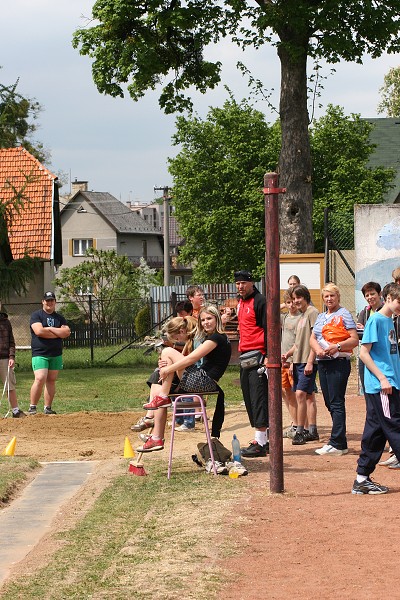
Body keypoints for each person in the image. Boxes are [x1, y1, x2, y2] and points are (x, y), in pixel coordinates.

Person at [136, 305, 231, 452]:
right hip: (200, 380)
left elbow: (192, 359)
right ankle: (156, 438)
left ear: (217, 318)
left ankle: (160, 401)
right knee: (158, 385)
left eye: (209, 319)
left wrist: (168, 368)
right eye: (203, 319)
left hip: (204, 382)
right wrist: (166, 365)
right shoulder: (207, 337)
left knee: (167, 351)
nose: (206, 322)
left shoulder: (216, 337)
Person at [351, 283, 400, 495]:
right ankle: (362, 479)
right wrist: (382, 379)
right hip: (383, 387)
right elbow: (363, 353)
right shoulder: (375, 320)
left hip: (390, 384)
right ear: (388, 298)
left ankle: (362, 478)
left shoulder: (389, 320)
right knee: (395, 426)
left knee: (376, 432)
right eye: (399, 302)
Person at [310, 283, 359, 455]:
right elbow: (313, 338)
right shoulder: (321, 316)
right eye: (326, 296)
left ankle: (337, 442)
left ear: (338, 297)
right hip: (323, 361)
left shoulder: (344, 314)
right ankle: (339, 440)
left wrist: (337, 346)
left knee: (337, 401)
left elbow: (354, 339)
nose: (329, 299)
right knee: (329, 401)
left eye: (332, 296)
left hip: (338, 362)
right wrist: (318, 350)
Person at [131, 316, 197, 432]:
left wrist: (168, 368)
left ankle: (150, 417)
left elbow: (190, 362)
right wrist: (165, 365)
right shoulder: (189, 342)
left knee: (161, 371)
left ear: (182, 331)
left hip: (192, 378)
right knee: (158, 374)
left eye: (177, 338)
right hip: (184, 375)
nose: (177, 342)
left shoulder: (196, 341)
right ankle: (151, 416)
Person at [235, 270, 269, 458]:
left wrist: (268, 355)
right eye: (238, 283)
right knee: (249, 397)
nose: (240, 287)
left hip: (259, 355)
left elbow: (270, 329)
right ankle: (264, 437)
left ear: (251, 283)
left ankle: (260, 442)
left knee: (259, 397)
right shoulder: (240, 302)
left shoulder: (260, 301)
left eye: (243, 283)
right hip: (245, 355)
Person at [282, 284, 319, 446]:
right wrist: (288, 354)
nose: (296, 301)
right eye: (294, 298)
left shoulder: (312, 312)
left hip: (306, 361)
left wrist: (311, 361)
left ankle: (300, 431)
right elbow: (298, 343)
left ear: (306, 297)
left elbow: (315, 338)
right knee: (308, 396)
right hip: (297, 361)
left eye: (299, 298)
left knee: (300, 394)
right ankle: (312, 430)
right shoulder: (302, 315)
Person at [29, 291, 71, 415]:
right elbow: (39, 331)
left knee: (51, 380)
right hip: (40, 352)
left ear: (55, 302)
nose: (49, 303)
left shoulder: (59, 318)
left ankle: (47, 408)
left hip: (55, 353)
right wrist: (57, 333)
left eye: (52, 300)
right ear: (43, 302)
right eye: (47, 300)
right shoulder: (36, 315)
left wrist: (50, 329)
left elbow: (66, 333)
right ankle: (32, 407)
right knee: (40, 378)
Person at [280, 289, 301, 438]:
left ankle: (300, 424)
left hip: (294, 361)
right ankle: (294, 422)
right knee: (287, 393)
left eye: (294, 301)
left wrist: (294, 361)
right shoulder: (285, 317)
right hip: (284, 361)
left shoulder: (301, 318)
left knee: (297, 394)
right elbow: (271, 311)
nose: (291, 305)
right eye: (289, 302)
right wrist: (284, 304)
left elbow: (299, 343)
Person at [356, 281, 383, 391]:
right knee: (367, 388)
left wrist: (365, 329)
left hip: (380, 355)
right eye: (367, 295)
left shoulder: (385, 311)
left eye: (372, 294)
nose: (370, 297)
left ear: (379, 294)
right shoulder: (364, 312)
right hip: (366, 353)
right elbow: (359, 333)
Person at [0, 310, 25, 417]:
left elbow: (11, 341)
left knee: (10, 386)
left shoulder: (6, 321)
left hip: (5, 358)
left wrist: (11, 357)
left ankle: (15, 411)